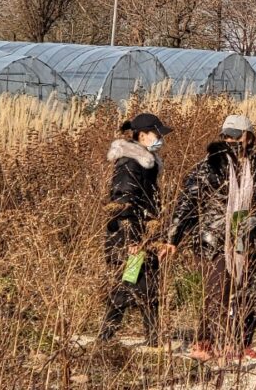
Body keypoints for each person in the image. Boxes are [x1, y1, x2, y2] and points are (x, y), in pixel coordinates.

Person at [165, 115, 256, 363]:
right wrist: (173, 237)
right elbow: (187, 202)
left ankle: (243, 342)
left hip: (248, 235)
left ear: (249, 137)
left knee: (252, 290)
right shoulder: (210, 165)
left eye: (236, 136)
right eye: (226, 136)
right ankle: (209, 341)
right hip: (216, 237)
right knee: (218, 291)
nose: (231, 140)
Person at [98, 113, 174, 347]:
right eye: (157, 133)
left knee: (147, 287)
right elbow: (123, 202)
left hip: (144, 236)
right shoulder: (131, 162)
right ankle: (105, 340)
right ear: (142, 135)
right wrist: (132, 240)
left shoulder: (146, 163)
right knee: (129, 286)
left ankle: (153, 340)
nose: (160, 138)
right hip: (131, 237)